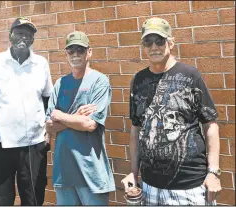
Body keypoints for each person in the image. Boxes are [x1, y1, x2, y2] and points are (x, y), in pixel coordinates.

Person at [121, 17, 222, 205]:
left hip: (190, 186)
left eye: (159, 40)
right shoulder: (138, 80)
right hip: (150, 187)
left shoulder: (191, 75)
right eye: (147, 42)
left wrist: (213, 172)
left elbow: (210, 124)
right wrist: (133, 174)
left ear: (171, 42)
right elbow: (136, 129)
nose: (154, 47)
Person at [0, 17, 53, 205]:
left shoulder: (41, 64)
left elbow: (48, 101)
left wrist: (48, 134)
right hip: (2, 144)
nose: (24, 38)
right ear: (10, 36)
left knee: (33, 199)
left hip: (34, 145)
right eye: (19, 33)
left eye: (29, 34)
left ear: (33, 39)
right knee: (0, 200)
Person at [45, 31, 115, 205]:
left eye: (80, 50)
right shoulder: (60, 84)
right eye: (71, 50)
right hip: (64, 173)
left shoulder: (99, 81)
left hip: (91, 173)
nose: (75, 54)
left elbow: (90, 124)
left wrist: (60, 115)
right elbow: (48, 126)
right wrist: (76, 118)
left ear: (89, 52)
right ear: (66, 53)